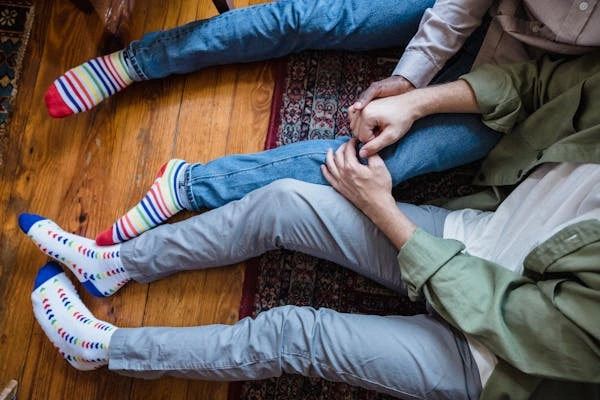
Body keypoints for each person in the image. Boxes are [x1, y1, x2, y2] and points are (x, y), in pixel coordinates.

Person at [21, 53, 600, 398]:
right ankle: (114, 264)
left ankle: (102, 349)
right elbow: (540, 83)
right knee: (283, 202)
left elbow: (521, 320)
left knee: (291, 335)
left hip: (500, 359)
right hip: (478, 236)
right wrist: (418, 102)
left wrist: (385, 213)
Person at [43, 0, 600, 245]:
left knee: (376, 168)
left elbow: (546, 89)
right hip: (473, 7)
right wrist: (409, 81)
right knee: (314, 16)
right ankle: (138, 61)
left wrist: (423, 104)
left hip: (525, 94)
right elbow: (461, 7)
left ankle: (186, 185)